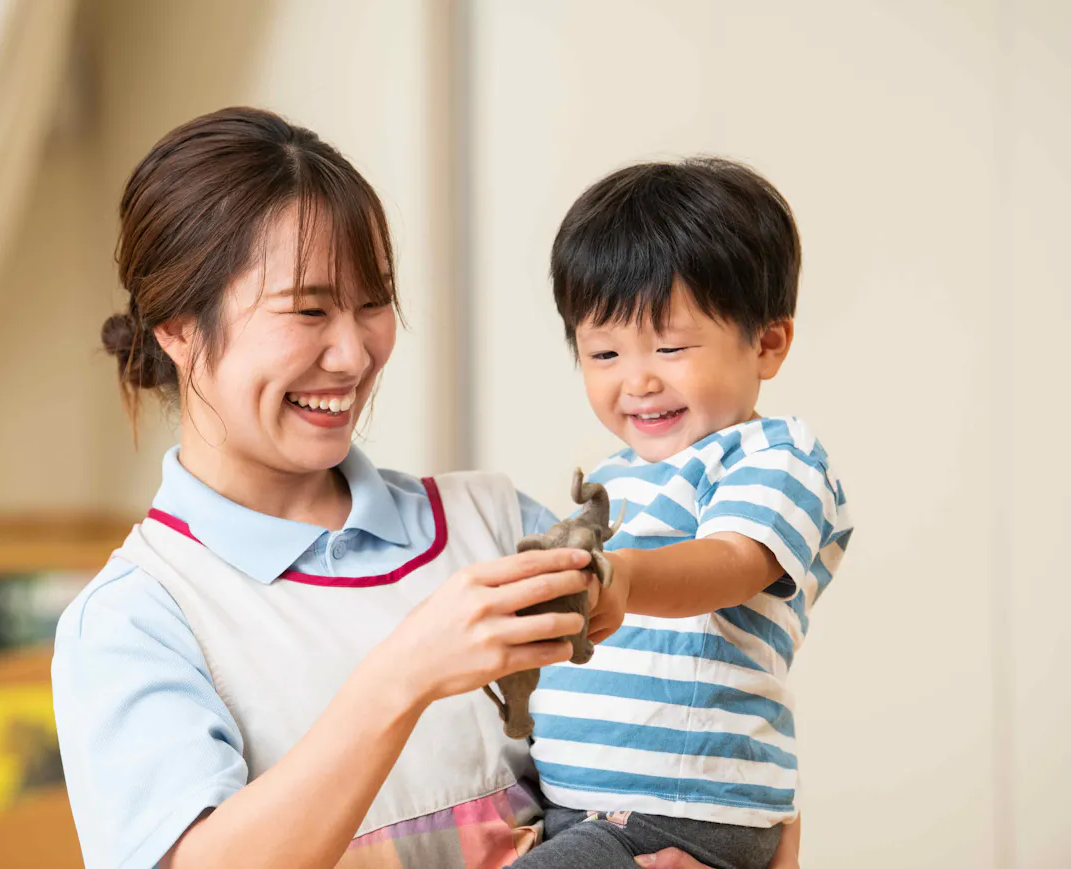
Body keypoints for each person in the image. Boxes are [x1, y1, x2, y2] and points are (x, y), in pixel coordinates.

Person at [51, 107, 801, 869]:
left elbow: (700, 736)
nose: (353, 355)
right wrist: (400, 678)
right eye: (308, 310)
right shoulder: (137, 617)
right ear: (178, 327)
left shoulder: (498, 525)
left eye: (372, 303)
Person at [512, 159, 852, 869]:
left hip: (678, 806)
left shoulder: (774, 455)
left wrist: (626, 578)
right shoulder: (617, 476)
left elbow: (732, 561)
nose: (637, 379)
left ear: (767, 343)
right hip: (586, 804)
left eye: (670, 347)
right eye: (604, 352)